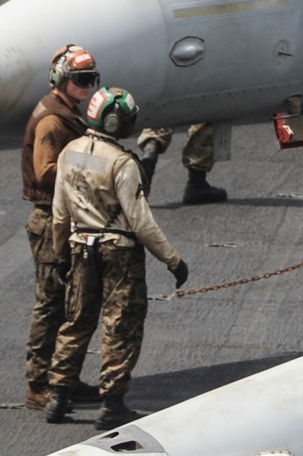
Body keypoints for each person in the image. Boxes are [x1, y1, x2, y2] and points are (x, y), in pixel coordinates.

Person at [45, 87, 189, 429]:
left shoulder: (70, 152)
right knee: (120, 324)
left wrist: (58, 254)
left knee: (76, 320)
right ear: (114, 121)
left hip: (79, 247)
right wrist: (172, 259)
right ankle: (111, 403)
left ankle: (58, 396)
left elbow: (60, 213)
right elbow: (141, 221)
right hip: (118, 254)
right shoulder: (123, 163)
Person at [20, 44, 103, 411]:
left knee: (68, 302)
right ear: (61, 81)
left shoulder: (65, 112)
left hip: (62, 217)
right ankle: (39, 385)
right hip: (50, 221)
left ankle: (63, 379)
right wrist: (91, 169)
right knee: (51, 304)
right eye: (80, 80)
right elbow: (46, 172)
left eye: (90, 80)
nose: (86, 87)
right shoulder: (53, 120)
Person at [136, 0, 227, 205]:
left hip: (164, 36)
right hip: (205, 36)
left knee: (167, 97)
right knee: (209, 102)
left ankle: (149, 153)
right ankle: (197, 180)